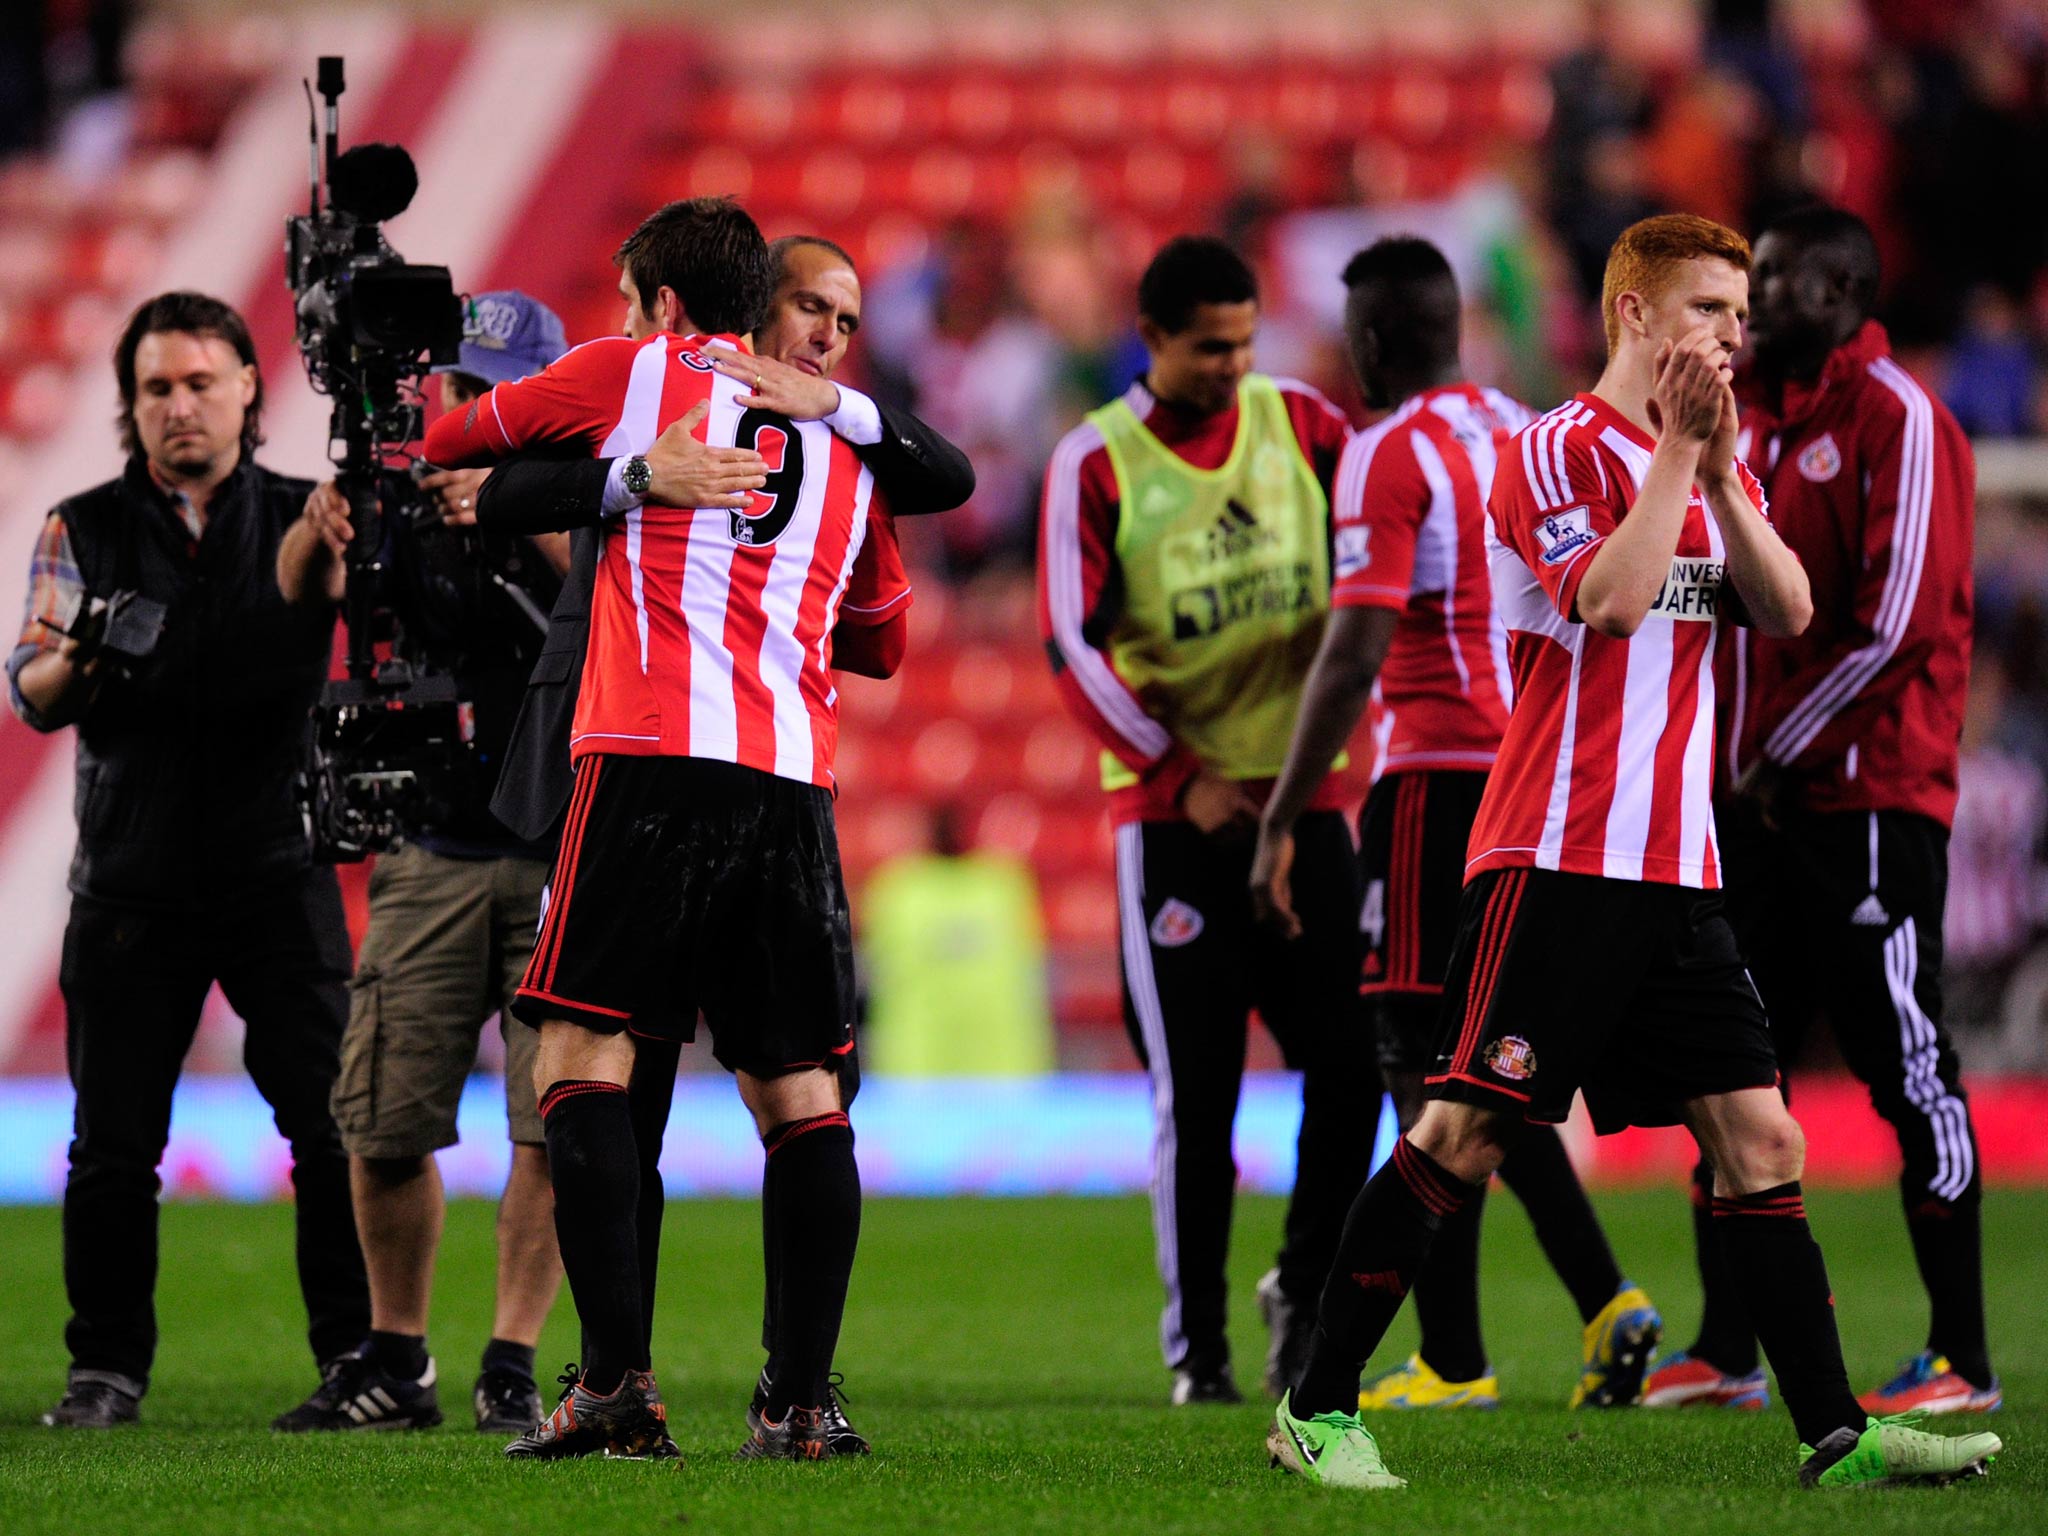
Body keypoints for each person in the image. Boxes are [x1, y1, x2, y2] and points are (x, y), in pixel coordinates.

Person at [1265, 214, 2002, 1491]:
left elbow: (1785, 610)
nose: (1735, 332)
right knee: (1459, 1137)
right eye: (1711, 309)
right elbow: (1604, 602)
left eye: (1738, 311)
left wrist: (1715, 472)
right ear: (1633, 319)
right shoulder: (1548, 449)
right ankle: (1316, 1409)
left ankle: (1834, 1434)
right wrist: (1674, 452)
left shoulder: (1726, 465)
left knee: (1760, 1142)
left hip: (1678, 868)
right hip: (1556, 853)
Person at [463, 230, 972, 1456]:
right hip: (784, 779)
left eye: (845, 323)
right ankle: (793, 1401)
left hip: (644, 762)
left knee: (586, 1061)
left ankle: (619, 1388)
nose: (826, 337)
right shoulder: (857, 460)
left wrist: (637, 498)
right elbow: (890, 632)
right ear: (757, 310)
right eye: (812, 309)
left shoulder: (650, 395)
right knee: (793, 1088)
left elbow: (486, 474)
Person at [1250, 236, 1660, 1413]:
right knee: (1488, 1060)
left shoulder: (1386, 452)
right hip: (1542, 776)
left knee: (1421, 1059)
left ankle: (1455, 1356)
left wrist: (1286, 811)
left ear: (1371, 342)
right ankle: (1601, 1305)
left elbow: (1356, 646)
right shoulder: (1527, 426)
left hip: (1433, 780)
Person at [1646, 206, 1997, 1416]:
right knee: (1731, 1069)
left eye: (1776, 288)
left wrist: (1767, 755)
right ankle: (1727, 1348)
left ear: (1842, 291)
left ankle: (1960, 1356)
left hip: (1864, 803)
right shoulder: (1752, 431)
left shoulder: (1896, 416)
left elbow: (1900, 628)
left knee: (1908, 1067)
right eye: (1738, 296)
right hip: (1748, 808)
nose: (1749, 316)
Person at [11, 292, 369, 1430]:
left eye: (199, 382)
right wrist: (89, 649)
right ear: (129, 405)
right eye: (157, 388)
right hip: (131, 879)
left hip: (278, 862)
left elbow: (352, 601)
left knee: (327, 1127)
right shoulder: (82, 523)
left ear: (250, 388)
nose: (178, 407)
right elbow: (32, 691)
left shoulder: (306, 516)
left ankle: (356, 1357)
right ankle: (104, 1370)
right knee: (113, 1144)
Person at [1037, 235, 1376, 1406]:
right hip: (1174, 822)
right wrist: (1179, 773)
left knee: (1349, 1069)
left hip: (1309, 802)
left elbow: (1374, 573)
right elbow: (1070, 646)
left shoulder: (1308, 429)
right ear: (1153, 340)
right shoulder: (1095, 461)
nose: (1233, 366)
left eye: (1245, 342)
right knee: (1200, 1091)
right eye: (1208, 348)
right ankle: (1203, 1361)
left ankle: (1298, 1282)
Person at [269, 291, 577, 1434]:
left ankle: (511, 1356)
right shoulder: (401, 505)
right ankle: (397, 1355)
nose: (479, 408)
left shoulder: (590, 500)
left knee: (555, 1123)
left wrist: (517, 504)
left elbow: (613, 604)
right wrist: (321, 522)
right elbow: (302, 594)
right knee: (384, 1120)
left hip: (561, 843)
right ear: (436, 395)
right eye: (464, 388)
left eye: (506, 394)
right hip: (434, 844)